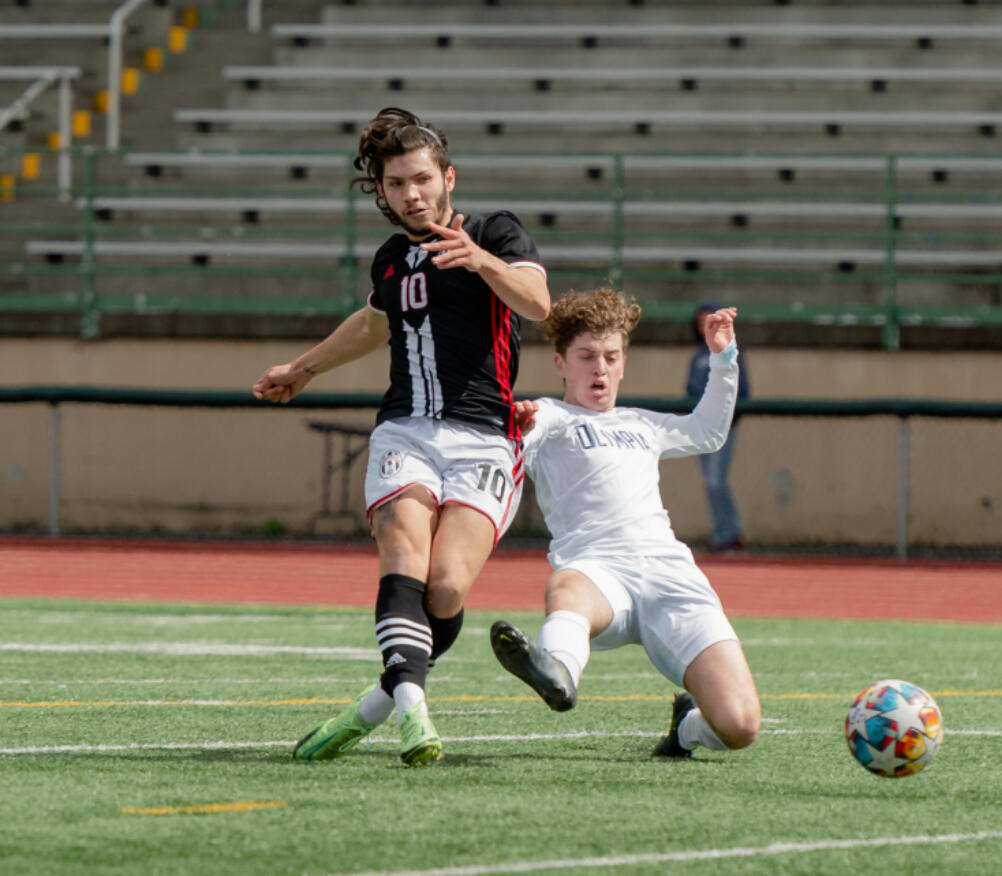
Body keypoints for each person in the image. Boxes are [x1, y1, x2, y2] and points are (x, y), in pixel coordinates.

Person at [251, 107, 550, 767]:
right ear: (382, 193)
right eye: (396, 184)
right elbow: (370, 325)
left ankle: (373, 706)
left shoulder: (496, 232)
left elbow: (536, 303)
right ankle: (415, 714)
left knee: (444, 588)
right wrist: (300, 369)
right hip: (405, 429)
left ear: (448, 177)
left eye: (421, 179)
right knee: (403, 556)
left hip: (484, 437)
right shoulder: (392, 258)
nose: (411, 194)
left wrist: (479, 262)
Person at [488, 287, 760, 758]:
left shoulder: (642, 423)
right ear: (560, 364)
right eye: (586, 356)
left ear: (623, 363)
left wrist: (723, 357)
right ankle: (559, 673)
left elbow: (709, 432)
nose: (599, 368)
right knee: (566, 586)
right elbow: (512, 440)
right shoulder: (549, 417)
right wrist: (516, 426)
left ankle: (685, 730)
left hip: (670, 577)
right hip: (599, 576)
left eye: (611, 356)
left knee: (739, 726)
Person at [686, 299, 749, 553]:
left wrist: (726, 421)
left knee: (716, 481)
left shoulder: (730, 353)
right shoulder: (696, 357)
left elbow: (742, 390)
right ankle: (723, 532)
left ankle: (730, 533)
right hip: (701, 428)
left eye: (708, 319)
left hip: (723, 429)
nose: (704, 325)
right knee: (709, 481)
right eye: (701, 320)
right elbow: (689, 391)